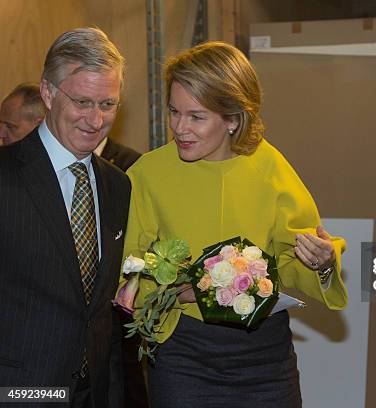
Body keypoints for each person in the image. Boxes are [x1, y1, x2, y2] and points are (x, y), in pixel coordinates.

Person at [119, 41, 348, 407]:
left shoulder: (271, 168)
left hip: (265, 362)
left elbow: (291, 265)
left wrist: (320, 265)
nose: (179, 127)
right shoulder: (147, 174)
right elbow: (128, 267)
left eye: (196, 116)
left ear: (233, 119)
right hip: (183, 358)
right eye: (174, 112)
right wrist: (170, 290)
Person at [0, 28, 130, 407]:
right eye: (83, 102)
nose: (95, 119)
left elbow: (103, 314)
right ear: (48, 93)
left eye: (108, 104)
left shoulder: (117, 185)